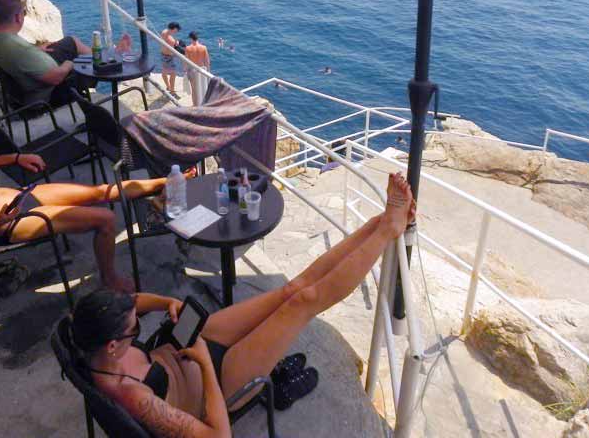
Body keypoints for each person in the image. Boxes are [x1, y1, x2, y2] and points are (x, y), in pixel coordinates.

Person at [70, 173, 415, 436]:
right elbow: (217, 434)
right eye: (134, 326)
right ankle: (389, 230)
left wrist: (166, 302)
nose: (137, 316)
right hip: (218, 381)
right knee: (302, 302)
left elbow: (132, 302)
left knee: (290, 289)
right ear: (115, 346)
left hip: (189, 346)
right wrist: (205, 363)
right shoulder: (132, 396)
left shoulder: (91, 334)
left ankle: (378, 224)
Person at [0, 120, 194, 293]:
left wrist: (16, 158)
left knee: (99, 192)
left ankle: (162, 181)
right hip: (8, 223)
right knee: (105, 219)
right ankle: (109, 279)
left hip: (18, 196)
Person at [0, 0, 93, 106]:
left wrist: (36, 50)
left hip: (28, 80)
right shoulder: (22, 51)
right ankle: (103, 68)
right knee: (89, 67)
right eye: (23, 13)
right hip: (46, 95)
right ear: (17, 17)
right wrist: (69, 64)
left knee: (71, 42)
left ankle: (98, 59)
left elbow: (14, 55)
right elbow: (55, 79)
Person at [184, 32, 211, 106]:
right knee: (203, 88)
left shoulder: (188, 48)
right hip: (202, 70)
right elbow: (207, 61)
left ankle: (195, 106)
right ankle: (204, 104)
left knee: (194, 90)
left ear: (190, 38)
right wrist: (208, 72)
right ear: (197, 38)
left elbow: (186, 62)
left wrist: (186, 71)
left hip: (192, 71)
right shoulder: (204, 47)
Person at [160, 22, 181, 97]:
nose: (177, 31)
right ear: (174, 29)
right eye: (177, 30)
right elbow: (172, 51)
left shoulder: (164, 32)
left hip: (162, 55)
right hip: (168, 57)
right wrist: (176, 46)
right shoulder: (171, 40)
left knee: (164, 71)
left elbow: (167, 43)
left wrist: (175, 43)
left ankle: (168, 86)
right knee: (173, 73)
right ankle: (172, 91)